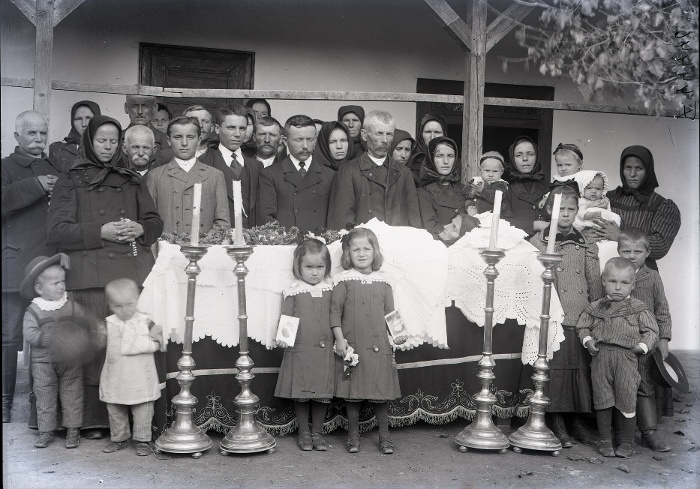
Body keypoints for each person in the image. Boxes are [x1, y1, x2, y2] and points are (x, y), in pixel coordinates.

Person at [47, 115, 163, 439]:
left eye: (114, 141)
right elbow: (56, 230)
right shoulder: (70, 179)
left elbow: (154, 222)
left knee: (129, 350)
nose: (108, 147)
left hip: (127, 278)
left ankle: (133, 424)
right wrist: (101, 231)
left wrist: (142, 228)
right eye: (102, 140)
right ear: (89, 141)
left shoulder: (131, 179)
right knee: (95, 349)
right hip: (90, 276)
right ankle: (92, 421)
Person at [530, 185, 604, 448]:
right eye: (560, 208)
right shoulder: (538, 241)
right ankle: (556, 420)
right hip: (552, 316)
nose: (565, 214)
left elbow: (593, 278)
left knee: (579, 372)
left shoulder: (586, 242)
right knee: (557, 371)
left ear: (577, 212)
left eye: (571, 209)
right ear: (549, 209)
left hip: (580, 314)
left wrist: (597, 312)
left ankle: (577, 422)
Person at [2, 110, 60, 423]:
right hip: (13, 265)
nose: (38, 140)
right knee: (9, 337)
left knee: (47, 336)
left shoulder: (55, 166)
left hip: (47, 265)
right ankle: (4, 404)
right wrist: (36, 185)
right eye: (31, 134)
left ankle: (43, 410)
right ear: (17, 137)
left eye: (42, 134)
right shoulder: (5, 167)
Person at [577, 257, 659, 458]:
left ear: (632, 285)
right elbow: (582, 325)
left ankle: (627, 442)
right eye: (612, 281)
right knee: (603, 399)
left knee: (626, 398)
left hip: (626, 359)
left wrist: (640, 347)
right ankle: (605, 440)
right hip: (601, 358)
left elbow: (652, 332)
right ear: (604, 280)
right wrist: (588, 340)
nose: (617, 288)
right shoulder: (596, 307)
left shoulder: (639, 308)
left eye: (624, 283)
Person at [330, 227, 401, 454]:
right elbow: (334, 313)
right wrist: (340, 340)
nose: (361, 254)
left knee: (380, 394)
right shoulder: (343, 280)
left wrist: (399, 335)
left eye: (366, 248)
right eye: (355, 249)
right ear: (347, 253)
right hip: (354, 346)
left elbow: (390, 313)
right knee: (354, 393)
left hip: (379, 345)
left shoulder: (384, 281)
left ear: (375, 251)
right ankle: (353, 436)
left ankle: (384, 436)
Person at [20, 253, 89, 449]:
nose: (61, 286)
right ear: (39, 288)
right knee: (45, 397)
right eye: (55, 283)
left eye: (62, 281)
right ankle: (45, 431)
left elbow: (85, 323)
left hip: (71, 361)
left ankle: (73, 430)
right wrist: (51, 337)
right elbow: (29, 334)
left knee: (73, 395)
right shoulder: (34, 310)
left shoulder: (70, 305)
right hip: (43, 363)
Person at [274, 239, 336, 451]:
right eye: (308, 267)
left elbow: (337, 315)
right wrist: (284, 335)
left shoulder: (330, 288)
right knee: (301, 392)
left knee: (321, 392)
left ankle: (317, 433)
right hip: (300, 349)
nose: (314, 273)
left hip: (324, 350)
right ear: (298, 267)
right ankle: (303, 432)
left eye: (320, 267)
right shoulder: (294, 290)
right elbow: (287, 314)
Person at [617, 228, 672, 452]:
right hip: (618, 342)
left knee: (644, 386)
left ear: (647, 252)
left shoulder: (652, 277)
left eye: (637, 251)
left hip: (644, 342)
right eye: (626, 250)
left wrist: (664, 338)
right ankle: (621, 435)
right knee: (619, 386)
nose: (631, 256)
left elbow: (662, 310)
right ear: (618, 251)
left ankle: (649, 432)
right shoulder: (613, 274)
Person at [98, 279, 164, 456]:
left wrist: (156, 338)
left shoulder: (146, 321)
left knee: (143, 411)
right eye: (117, 306)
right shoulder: (108, 323)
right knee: (115, 410)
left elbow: (160, 341)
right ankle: (119, 439)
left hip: (141, 377)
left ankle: (143, 441)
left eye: (129, 304)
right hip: (116, 376)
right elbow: (98, 343)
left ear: (137, 299)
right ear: (109, 305)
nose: (124, 310)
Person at [327, 110, 421, 230]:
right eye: (379, 133)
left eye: (389, 134)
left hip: (396, 244)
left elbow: (414, 220)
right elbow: (341, 221)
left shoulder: (404, 173)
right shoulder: (348, 171)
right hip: (363, 245)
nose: (385, 140)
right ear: (364, 134)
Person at [594, 145, 681, 272]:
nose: (632, 174)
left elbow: (660, 247)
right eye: (628, 167)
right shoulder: (607, 198)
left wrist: (620, 236)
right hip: (606, 270)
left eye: (639, 168)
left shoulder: (661, 205)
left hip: (641, 275)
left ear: (648, 171)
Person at [146, 116, 230, 235]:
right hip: (168, 249)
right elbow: (149, 222)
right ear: (168, 140)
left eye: (190, 137)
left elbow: (223, 222)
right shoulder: (155, 176)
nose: (184, 143)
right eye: (178, 137)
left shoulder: (215, 176)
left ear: (199, 139)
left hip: (204, 249)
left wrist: (205, 242)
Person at [258, 115, 335, 233]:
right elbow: (267, 218)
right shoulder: (270, 174)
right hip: (285, 245)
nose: (305, 146)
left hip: (319, 245)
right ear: (284, 141)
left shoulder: (330, 175)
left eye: (310, 139)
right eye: (298, 139)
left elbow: (334, 217)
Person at [200, 105, 263, 228]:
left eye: (242, 128)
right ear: (217, 129)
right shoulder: (203, 163)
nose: (238, 134)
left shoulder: (256, 166)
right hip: (216, 238)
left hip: (250, 239)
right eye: (231, 128)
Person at [417, 137, 478, 243]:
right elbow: (431, 226)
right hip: (440, 247)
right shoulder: (424, 192)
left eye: (450, 156)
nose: (445, 161)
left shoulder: (464, 189)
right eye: (439, 156)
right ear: (431, 158)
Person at [504, 136, 550, 236]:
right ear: (512, 159)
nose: (525, 159)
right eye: (519, 155)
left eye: (530, 154)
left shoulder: (549, 188)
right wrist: (535, 225)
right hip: (517, 245)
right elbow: (504, 223)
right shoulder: (505, 188)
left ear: (536, 157)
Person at [49, 100, 101, 173]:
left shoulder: (107, 148)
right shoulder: (56, 148)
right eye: (78, 119)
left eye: (89, 118)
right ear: (72, 122)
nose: (84, 124)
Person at [464, 151, 511, 215]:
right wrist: (472, 192)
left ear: (501, 172)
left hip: (492, 215)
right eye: (487, 170)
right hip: (474, 214)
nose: (491, 175)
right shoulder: (476, 180)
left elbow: (496, 198)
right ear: (480, 170)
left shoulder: (501, 184)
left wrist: (482, 191)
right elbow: (464, 192)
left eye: (495, 171)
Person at [408, 114, 447, 186]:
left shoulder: (451, 159)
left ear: (444, 134)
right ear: (421, 134)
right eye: (428, 132)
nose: (432, 137)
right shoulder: (411, 159)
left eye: (437, 132)